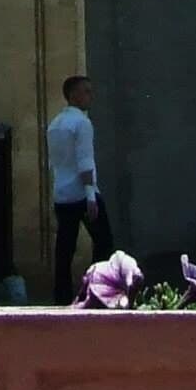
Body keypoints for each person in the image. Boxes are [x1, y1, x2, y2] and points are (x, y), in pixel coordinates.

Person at [46, 74, 115, 306]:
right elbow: (85, 161)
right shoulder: (82, 123)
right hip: (82, 194)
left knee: (65, 247)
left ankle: (62, 296)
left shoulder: (55, 124)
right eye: (86, 91)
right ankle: (98, 291)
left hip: (62, 193)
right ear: (73, 95)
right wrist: (90, 195)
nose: (90, 96)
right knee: (104, 242)